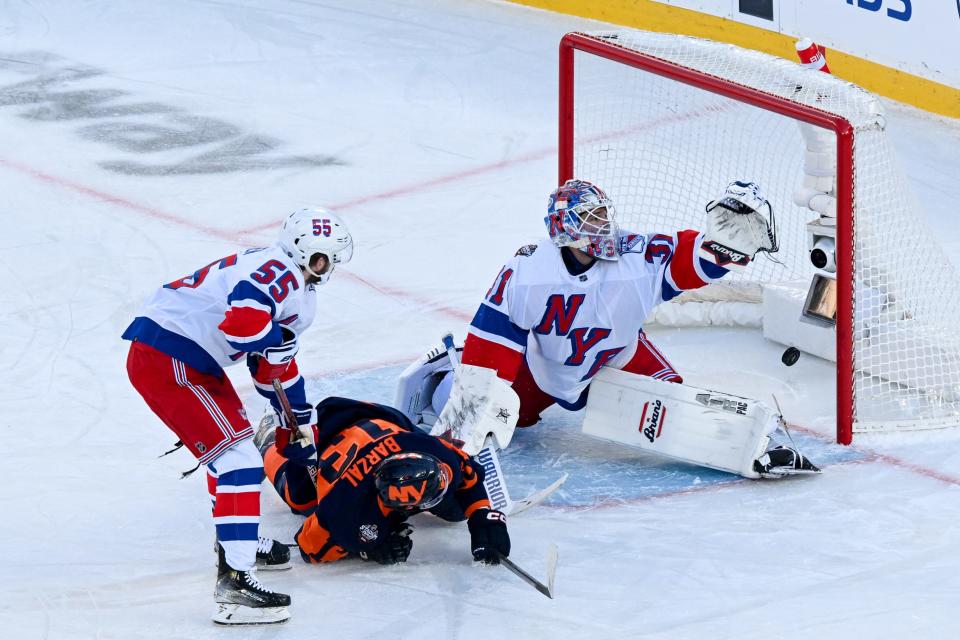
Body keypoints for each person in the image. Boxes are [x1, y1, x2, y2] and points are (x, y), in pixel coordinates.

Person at [399, 179, 816, 478]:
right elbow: (491, 350)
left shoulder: (636, 258)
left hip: (617, 357)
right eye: (592, 219)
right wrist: (465, 424)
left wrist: (725, 245)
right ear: (566, 231)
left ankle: (760, 444)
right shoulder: (528, 272)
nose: (605, 226)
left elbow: (692, 263)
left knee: (672, 403)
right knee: (505, 415)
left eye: (604, 215)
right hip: (544, 370)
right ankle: (438, 378)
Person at [122, 207, 353, 625]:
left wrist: (297, 419)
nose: (326, 265)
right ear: (299, 252)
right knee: (239, 461)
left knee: (233, 453)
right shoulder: (277, 272)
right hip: (169, 355)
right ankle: (236, 582)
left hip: (187, 358)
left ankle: (237, 540)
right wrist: (273, 341)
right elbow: (242, 330)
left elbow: (270, 369)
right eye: (319, 257)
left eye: (330, 257)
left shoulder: (293, 284)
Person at [255, 396, 510, 566]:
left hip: (376, 417)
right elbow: (309, 547)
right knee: (302, 498)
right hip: (326, 436)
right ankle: (268, 441)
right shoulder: (346, 504)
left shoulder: (440, 454)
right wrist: (367, 547)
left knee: (456, 511)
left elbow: (469, 476)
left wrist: (481, 515)